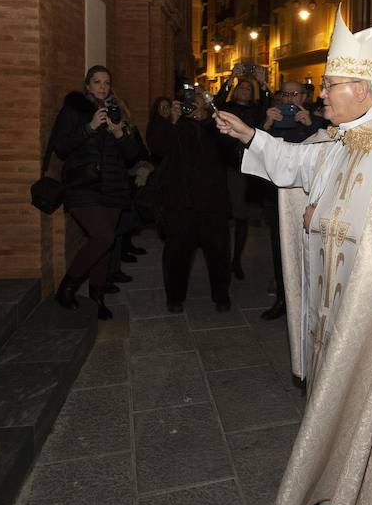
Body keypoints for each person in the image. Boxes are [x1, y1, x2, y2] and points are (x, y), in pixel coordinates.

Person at [215, 11, 372, 505]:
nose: (322, 93)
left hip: (364, 317)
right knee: (329, 401)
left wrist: (324, 213)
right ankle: (335, 494)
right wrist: (252, 137)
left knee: (364, 404)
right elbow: (303, 162)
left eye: (331, 85)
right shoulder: (347, 141)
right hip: (330, 307)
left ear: (361, 90)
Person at [51, 65, 146, 319]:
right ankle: (67, 288)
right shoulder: (75, 109)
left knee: (105, 243)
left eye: (106, 82)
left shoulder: (119, 112)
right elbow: (61, 147)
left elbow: (133, 156)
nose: (102, 86)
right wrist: (90, 127)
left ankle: (97, 297)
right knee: (103, 237)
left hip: (113, 186)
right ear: (87, 86)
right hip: (83, 186)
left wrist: (119, 133)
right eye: (96, 82)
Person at [149, 91, 236, 312]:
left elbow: (231, 149)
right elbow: (158, 149)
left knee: (218, 254)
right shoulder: (175, 125)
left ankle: (221, 295)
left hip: (212, 204)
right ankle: (174, 297)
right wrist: (173, 121)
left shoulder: (215, 126)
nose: (191, 109)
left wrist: (208, 119)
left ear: (206, 108)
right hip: (180, 204)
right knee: (176, 255)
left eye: (196, 105)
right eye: (187, 104)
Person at [257, 79, 321, 321]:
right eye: (285, 94)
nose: (290, 99)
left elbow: (328, 151)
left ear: (304, 96)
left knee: (311, 250)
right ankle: (283, 298)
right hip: (278, 197)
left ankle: (310, 303)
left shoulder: (319, 119)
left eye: (295, 94)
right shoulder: (270, 119)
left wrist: (311, 125)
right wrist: (266, 124)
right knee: (280, 248)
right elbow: (255, 153)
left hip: (309, 198)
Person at [217, 66, 269, 281]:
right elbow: (217, 102)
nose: (245, 90)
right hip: (225, 167)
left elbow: (269, 104)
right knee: (223, 217)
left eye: (249, 88)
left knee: (241, 218)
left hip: (246, 169)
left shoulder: (256, 110)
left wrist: (262, 82)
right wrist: (231, 77)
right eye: (242, 87)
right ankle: (222, 259)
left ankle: (236, 261)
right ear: (236, 91)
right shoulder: (226, 107)